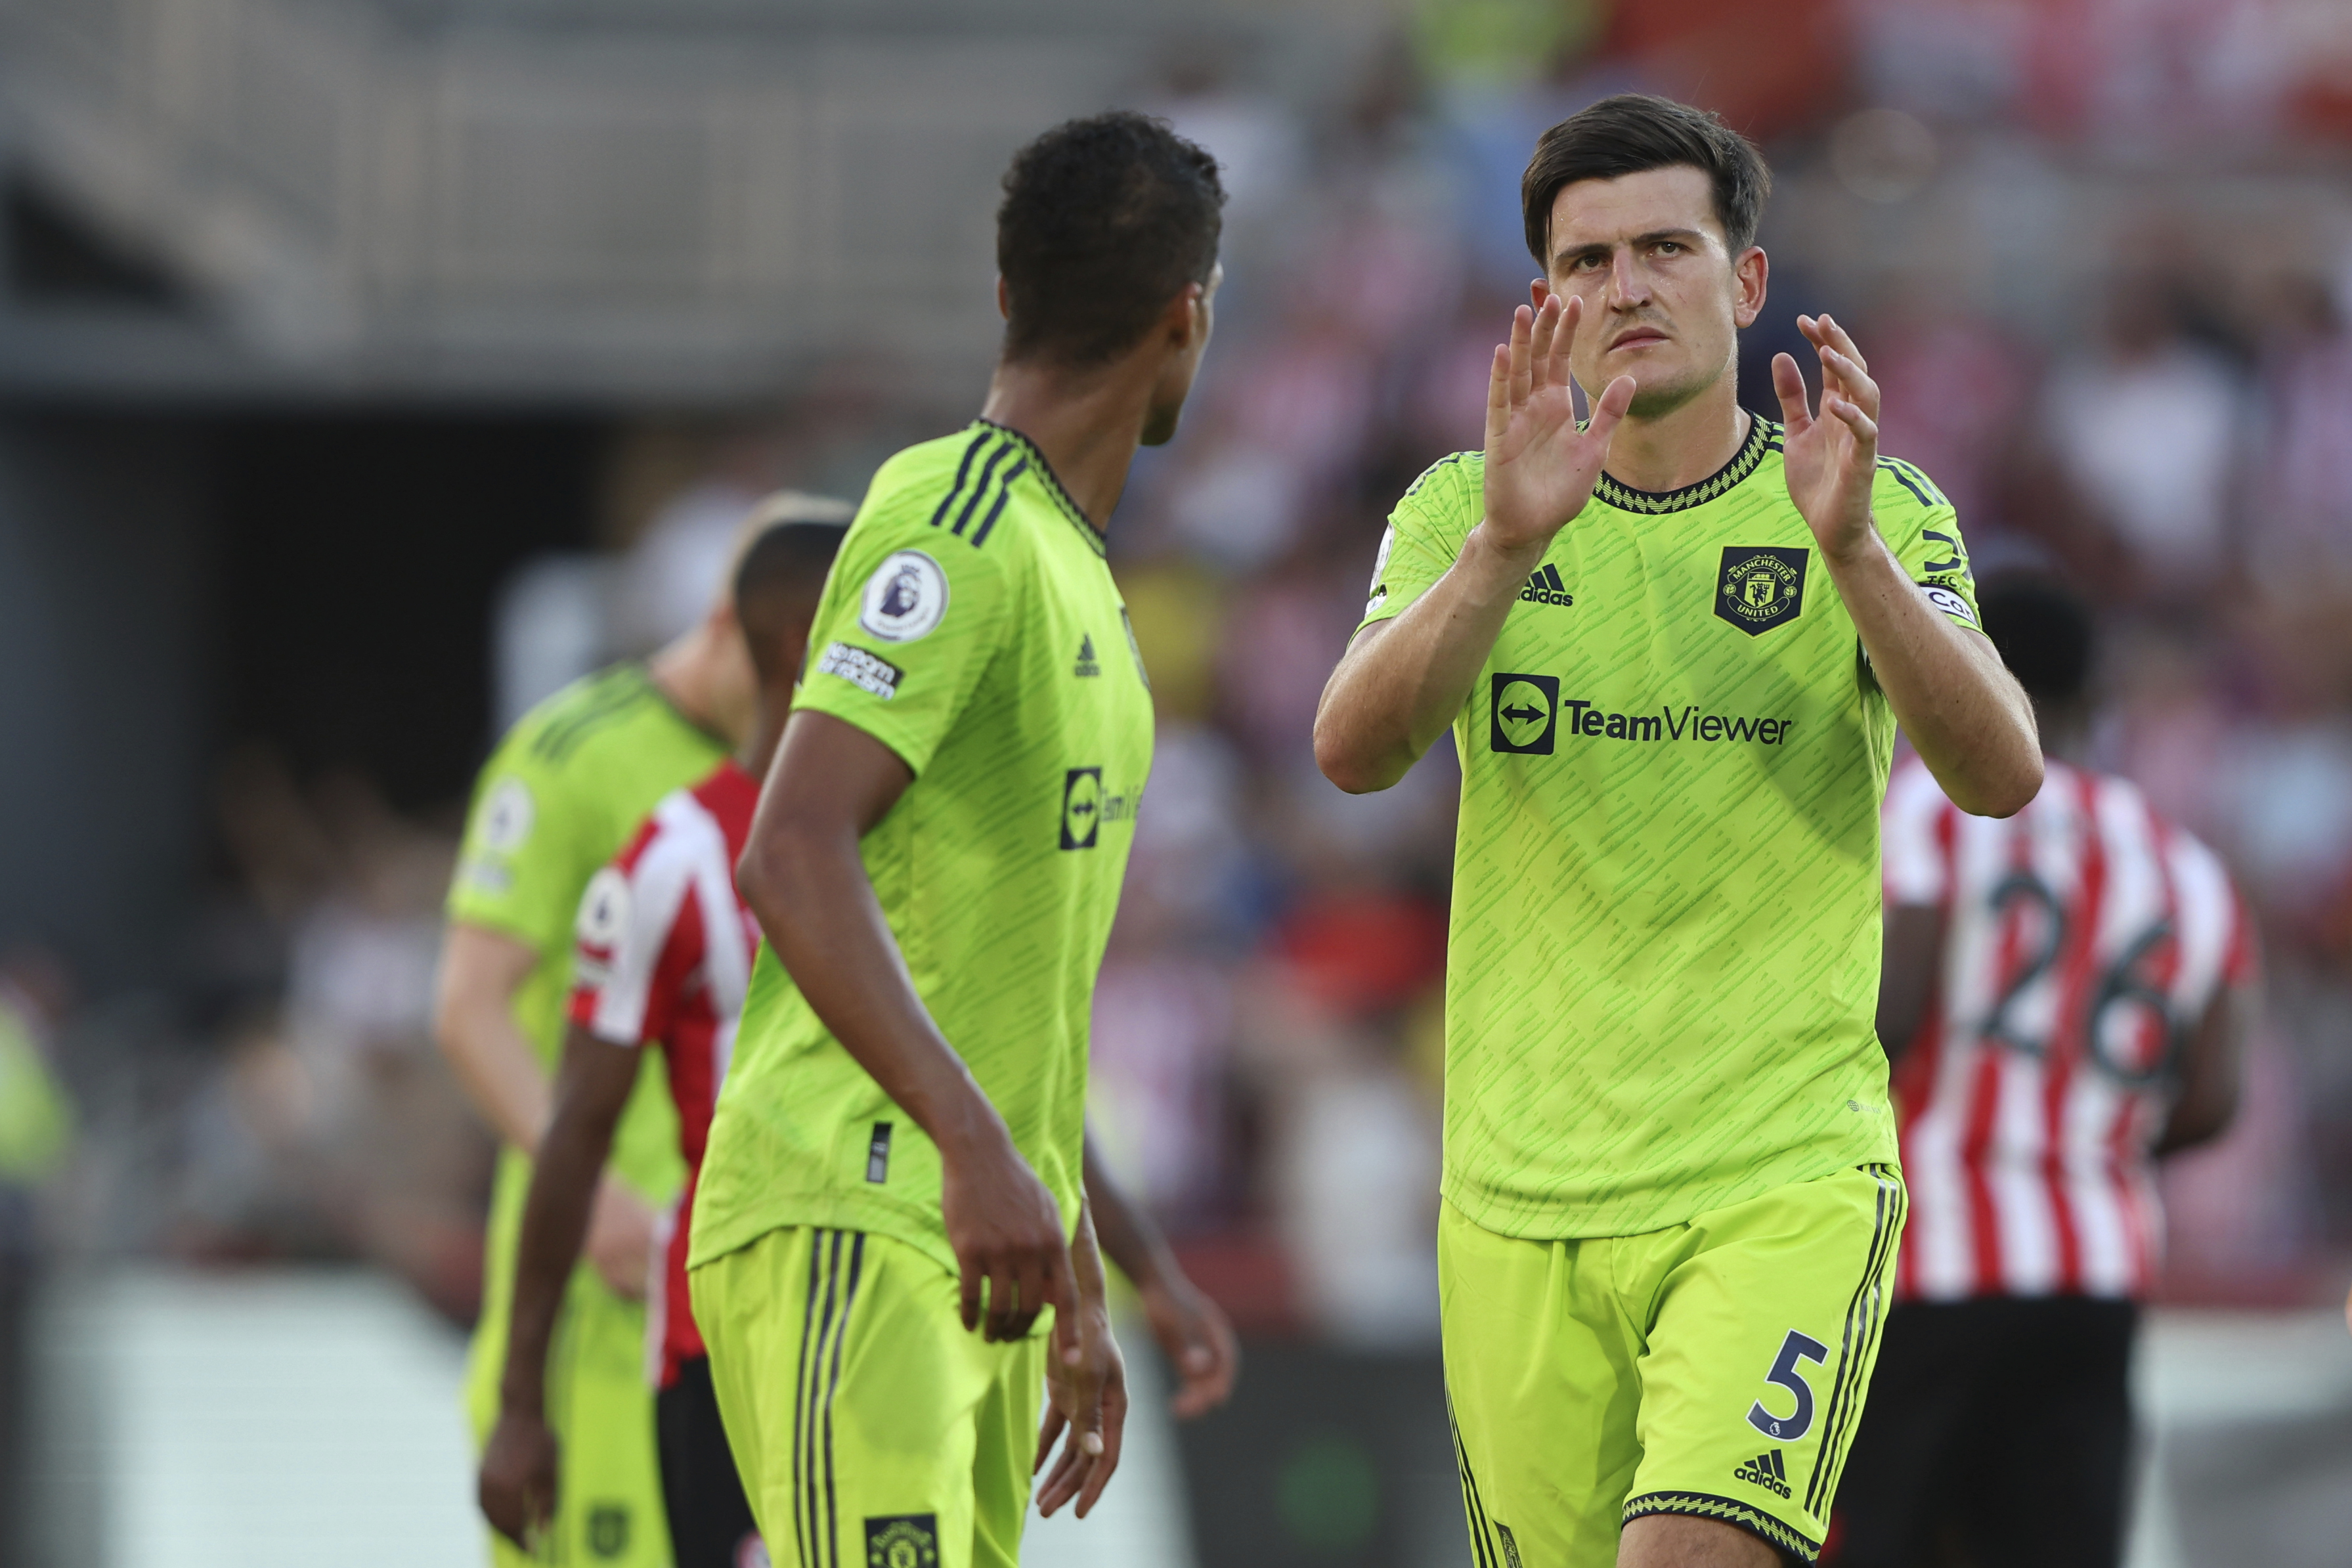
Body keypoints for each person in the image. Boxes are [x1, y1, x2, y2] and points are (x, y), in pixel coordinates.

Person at [1312, 94, 2041, 1568]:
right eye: (1586, 262)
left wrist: (1851, 559)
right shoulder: (1467, 508)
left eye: (1664, 247)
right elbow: (1352, 750)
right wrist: (1503, 550)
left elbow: (2003, 770)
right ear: (1545, 299)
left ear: (1746, 280)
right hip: (1520, 1194)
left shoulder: (1872, 505)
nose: (1626, 288)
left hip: (1775, 1176)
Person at [476, 521, 1246, 1563]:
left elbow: (1018, 1084)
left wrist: (1146, 1270)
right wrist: (523, 1401)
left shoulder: (919, 845)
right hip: (724, 1344)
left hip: (920, 1308)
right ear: (810, 641)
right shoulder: (670, 863)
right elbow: (575, 1132)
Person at [686, 110, 1224, 1568]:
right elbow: (789, 852)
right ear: (1190, 317)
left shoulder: (1076, 573)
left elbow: (1015, 995)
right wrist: (983, 1161)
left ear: (1006, 295)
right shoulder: (956, 516)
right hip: (852, 1210)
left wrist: (1085, 1272)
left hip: (981, 1247)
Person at [436, 489, 850, 1568]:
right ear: (733, 626)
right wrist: (606, 1199)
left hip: (741, 1284)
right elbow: (468, 1005)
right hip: (597, 1281)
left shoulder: (821, 779)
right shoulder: (573, 755)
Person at [1829, 578, 2255, 1568]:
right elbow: (2212, 1096)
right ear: (2094, 699)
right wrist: (2085, 1143)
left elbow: (1892, 1011)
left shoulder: (1929, 813)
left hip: (1931, 1266)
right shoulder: (2183, 863)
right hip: (2096, 1273)